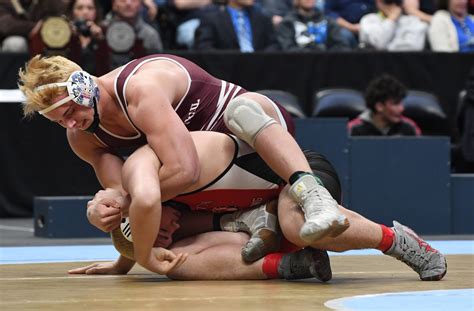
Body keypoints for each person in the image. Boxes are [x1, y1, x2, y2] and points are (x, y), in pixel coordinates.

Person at [18, 54, 349, 256]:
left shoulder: (139, 90)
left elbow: (183, 171)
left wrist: (133, 206)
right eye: (58, 120)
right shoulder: (81, 137)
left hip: (252, 135)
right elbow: (124, 193)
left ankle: (310, 190)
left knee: (243, 111)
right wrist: (120, 235)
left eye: (71, 110)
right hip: (214, 168)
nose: (70, 122)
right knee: (158, 236)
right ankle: (261, 235)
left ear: (84, 86)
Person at [75, 131, 447, 281]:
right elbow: (138, 235)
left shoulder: (156, 178)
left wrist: (99, 207)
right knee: (172, 264)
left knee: (297, 225)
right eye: (165, 236)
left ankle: (399, 242)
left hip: (294, 175)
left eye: (161, 229)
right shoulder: (170, 220)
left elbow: (120, 198)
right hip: (255, 211)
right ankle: (290, 264)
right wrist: (124, 264)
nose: (169, 233)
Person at [348, 74, 422, 136]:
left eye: (401, 103)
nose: (402, 108)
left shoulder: (409, 127)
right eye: (395, 104)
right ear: (379, 106)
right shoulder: (353, 129)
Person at [194, 0, 280, 52]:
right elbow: (204, 48)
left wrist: (260, 59)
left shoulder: (262, 18)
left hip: (260, 70)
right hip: (225, 72)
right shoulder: (211, 19)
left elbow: (274, 44)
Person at [276, 0, 353, 52]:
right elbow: (287, 49)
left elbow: (341, 45)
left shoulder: (328, 21)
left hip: (327, 66)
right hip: (299, 66)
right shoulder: (287, 23)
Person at [359, 0, 428, 51]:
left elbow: (412, 48)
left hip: (406, 66)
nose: (392, 5)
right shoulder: (368, 19)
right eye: (387, 1)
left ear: (402, 3)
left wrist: (386, 48)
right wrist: (391, 19)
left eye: (396, 1)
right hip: (374, 65)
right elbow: (378, 43)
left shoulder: (413, 22)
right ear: (378, 2)